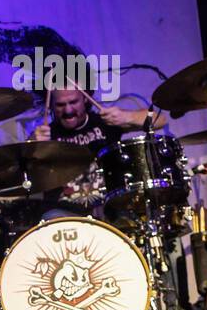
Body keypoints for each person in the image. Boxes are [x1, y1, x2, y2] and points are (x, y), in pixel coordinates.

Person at [30, 80, 163, 217]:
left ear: (85, 98)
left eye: (73, 102)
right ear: (50, 106)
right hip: (65, 214)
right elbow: (25, 173)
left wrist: (126, 117)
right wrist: (33, 145)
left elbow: (160, 120)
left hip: (110, 204)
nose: (68, 110)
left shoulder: (106, 122)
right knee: (49, 218)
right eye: (60, 105)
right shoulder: (45, 135)